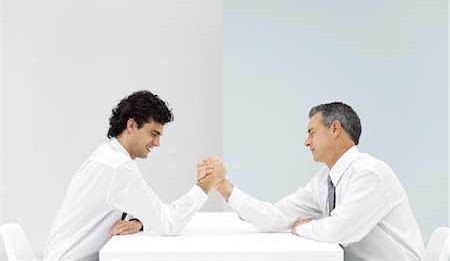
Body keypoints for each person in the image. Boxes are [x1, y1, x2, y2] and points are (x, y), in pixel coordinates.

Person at [208, 102, 426, 261]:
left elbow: (341, 230)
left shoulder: (370, 174)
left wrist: (304, 227)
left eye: (311, 133)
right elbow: (274, 217)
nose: (306, 142)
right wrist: (223, 186)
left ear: (335, 129)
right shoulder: (324, 180)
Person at [44, 90, 226, 261]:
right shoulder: (118, 167)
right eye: (153, 134)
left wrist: (139, 222)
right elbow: (169, 222)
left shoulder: (107, 155)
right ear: (131, 125)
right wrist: (206, 184)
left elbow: (136, 209)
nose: (157, 143)